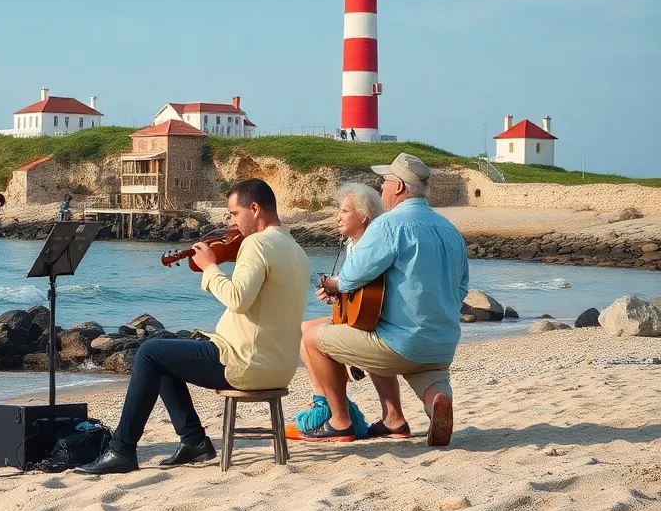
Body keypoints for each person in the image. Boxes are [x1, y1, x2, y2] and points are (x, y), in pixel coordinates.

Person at [76, 179, 310, 474]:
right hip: (280, 364)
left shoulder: (257, 244)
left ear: (254, 208)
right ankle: (194, 442)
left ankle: (122, 450)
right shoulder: (295, 249)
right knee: (163, 356)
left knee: (149, 352)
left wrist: (211, 266)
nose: (232, 223)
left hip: (246, 361)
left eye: (234, 214)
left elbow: (238, 299)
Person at [300, 153, 468, 446]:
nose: (381, 190)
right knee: (431, 381)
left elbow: (351, 276)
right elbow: (463, 287)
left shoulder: (389, 225)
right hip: (442, 342)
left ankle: (340, 423)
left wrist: (333, 284)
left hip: (401, 344)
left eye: (385, 183)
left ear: (400, 187)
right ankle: (434, 402)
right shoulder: (450, 229)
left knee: (312, 336)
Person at [295, 183, 385, 435]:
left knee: (308, 334)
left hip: (373, 322)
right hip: (361, 317)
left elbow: (370, 288)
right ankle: (328, 401)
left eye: (344, 211)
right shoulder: (352, 245)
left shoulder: (370, 246)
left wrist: (339, 287)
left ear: (364, 215)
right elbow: (359, 291)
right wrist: (335, 296)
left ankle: (333, 408)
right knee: (303, 330)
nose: (337, 216)